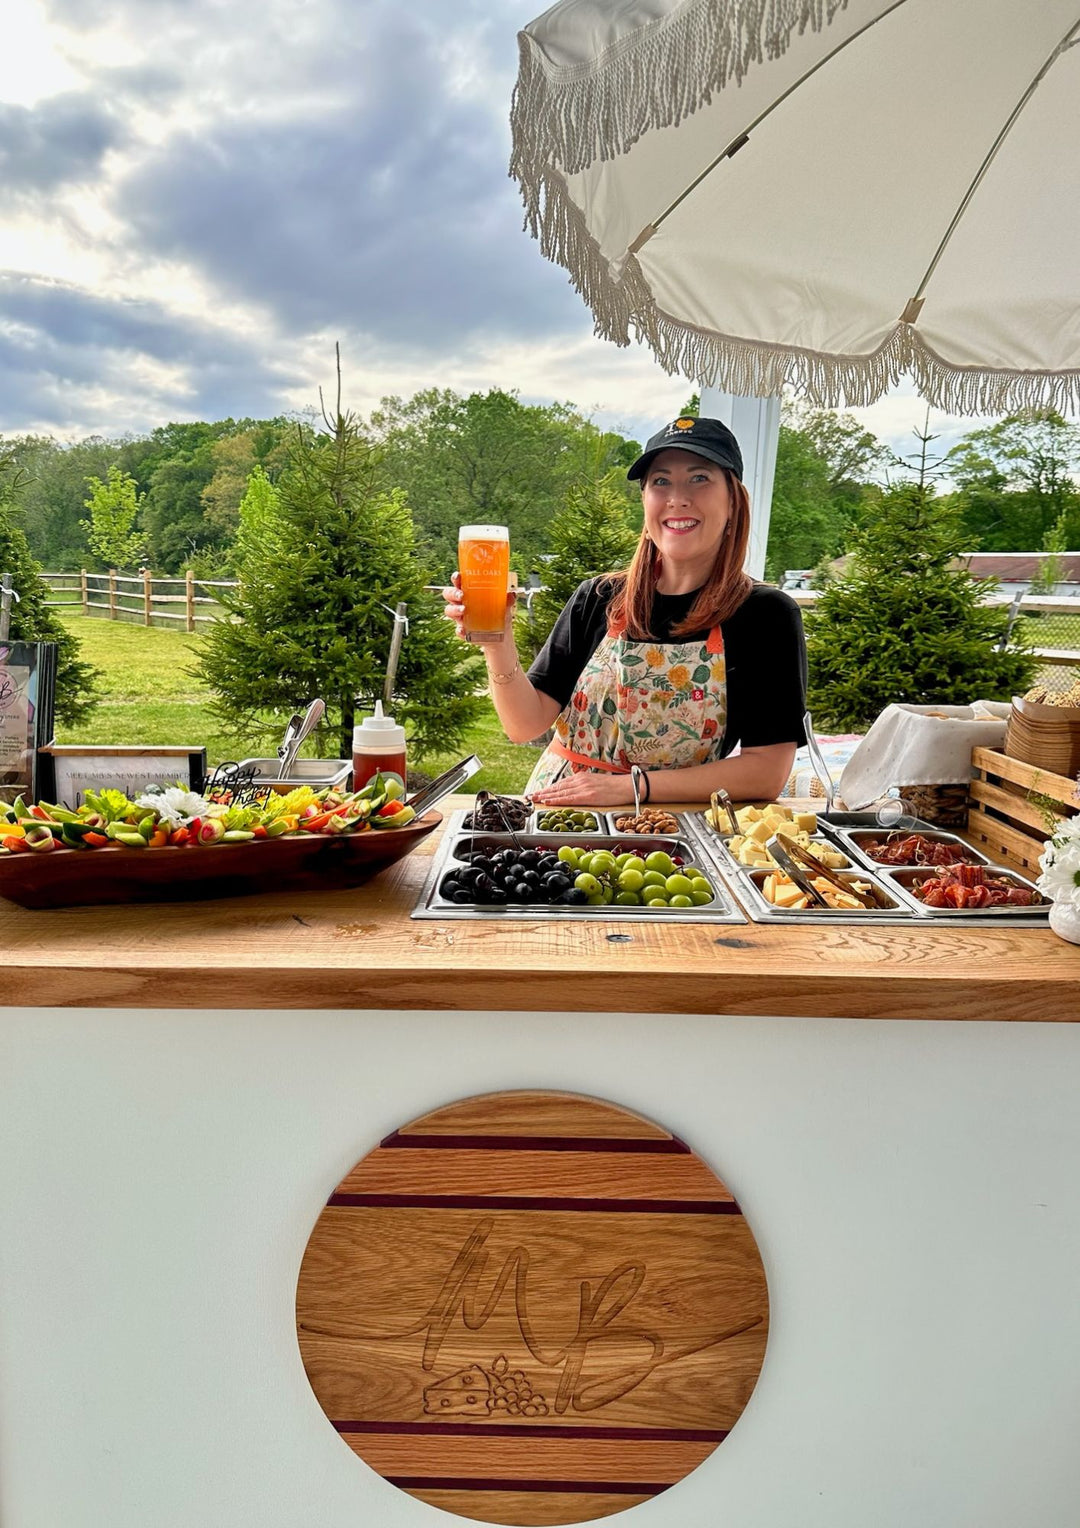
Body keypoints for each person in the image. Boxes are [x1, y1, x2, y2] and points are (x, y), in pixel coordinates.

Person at [442, 415, 807, 806]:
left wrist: (631, 787)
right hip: (561, 812)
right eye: (660, 481)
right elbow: (523, 725)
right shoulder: (598, 597)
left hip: (675, 829)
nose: (677, 497)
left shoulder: (765, 615)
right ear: (645, 502)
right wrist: (497, 640)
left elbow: (766, 772)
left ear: (733, 501)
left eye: (699, 478)